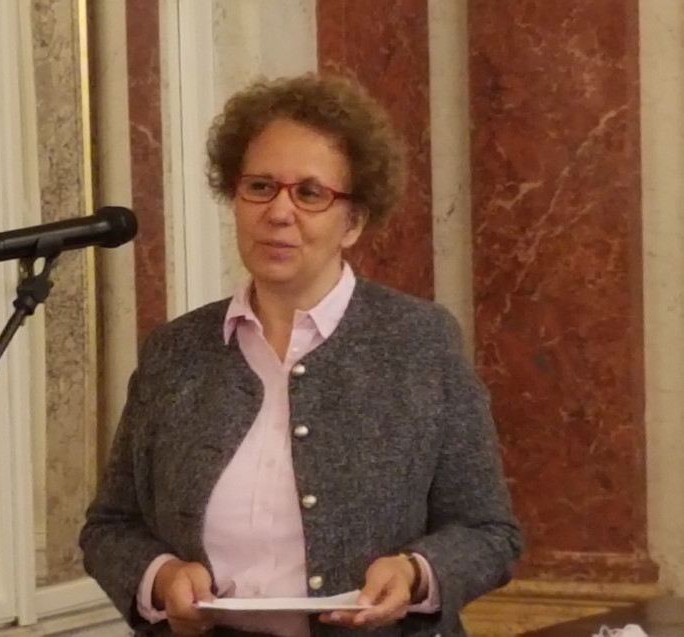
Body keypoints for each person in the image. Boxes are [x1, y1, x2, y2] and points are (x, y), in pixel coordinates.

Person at [80, 73, 522, 637]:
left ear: (353, 222)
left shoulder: (419, 343)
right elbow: (110, 527)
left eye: (310, 193)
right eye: (260, 187)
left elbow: (489, 534)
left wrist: (415, 573)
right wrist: (161, 577)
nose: (279, 211)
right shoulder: (176, 352)